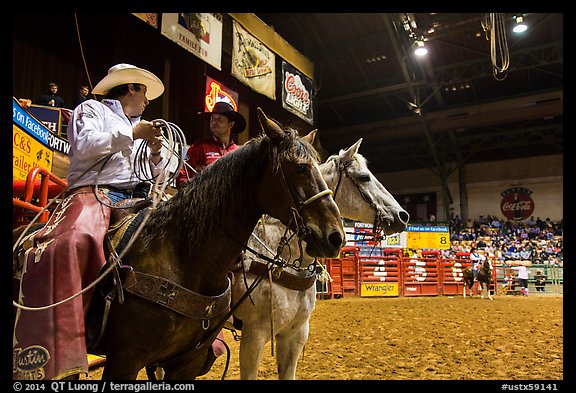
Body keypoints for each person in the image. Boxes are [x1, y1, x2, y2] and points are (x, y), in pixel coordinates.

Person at [13, 63, 166, 380]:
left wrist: (153, 153)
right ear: (130, 88)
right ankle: (53, 344)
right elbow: (84, 146)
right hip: (94, 192)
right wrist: (132, 134)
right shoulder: (91, 109)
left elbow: (157, 175)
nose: (147, 101)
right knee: (76, 240)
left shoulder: (139, 125)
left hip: (139, 195)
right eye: (144, 94)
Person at [176, 101, 246, 189]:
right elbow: (182, 177)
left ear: (231, 124)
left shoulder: (239, 152)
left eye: (219, 119)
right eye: (212, 119)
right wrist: (192, 184)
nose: (214, 122)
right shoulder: (199, 147)